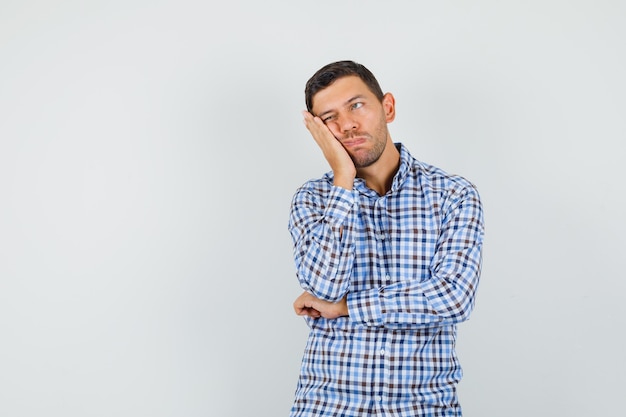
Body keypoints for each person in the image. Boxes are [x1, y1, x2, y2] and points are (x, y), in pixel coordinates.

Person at [288, 60, 484, 417]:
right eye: (329, 117)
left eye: (356, 105)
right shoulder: (313, 199)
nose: (346, 124)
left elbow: (453, 298)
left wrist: (348, 307)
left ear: (388, 107)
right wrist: (343, 178)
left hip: (424, 408)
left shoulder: (453, 195)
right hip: (328, 406)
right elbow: (324, 289)